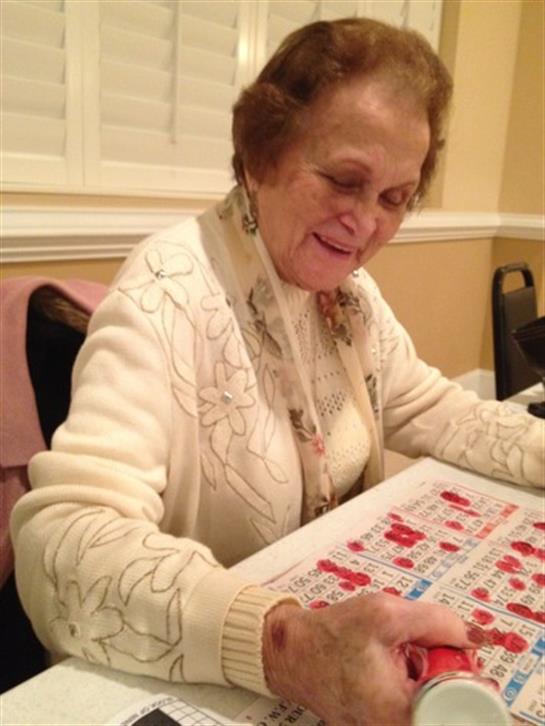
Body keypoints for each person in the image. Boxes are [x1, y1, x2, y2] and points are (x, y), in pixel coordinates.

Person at [10, 17, 543, 726]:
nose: (365, 224)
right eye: (342, 180)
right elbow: (63, 542)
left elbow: (435, 409)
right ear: (261, 154)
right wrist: (288, 644)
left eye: (392, 198)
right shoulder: (168, 286)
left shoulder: (350, 298)